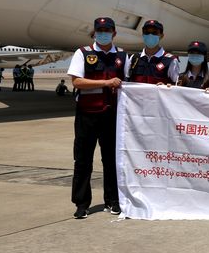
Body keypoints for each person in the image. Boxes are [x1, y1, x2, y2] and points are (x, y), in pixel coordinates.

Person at [66, 17, 129, 218]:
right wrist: (106, 82)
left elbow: (129, 83)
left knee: (112, 160)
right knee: (83, 160)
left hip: (112, 115)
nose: (103, 34)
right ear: (94, 33)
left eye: (107, 30)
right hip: (87, 115)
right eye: (100, 30)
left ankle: (113, 200)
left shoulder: (122, 55)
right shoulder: (83, 53)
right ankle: (81, 203)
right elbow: (77, 82)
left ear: (114, 33)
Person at [128, 20, 179, 85]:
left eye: (154, 32)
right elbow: (126, 81)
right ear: (143, 35)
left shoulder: (170, 61)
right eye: (147, 32)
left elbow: (176, 86)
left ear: (161, 36)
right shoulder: (134, 58)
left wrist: (167, 87)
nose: (150, 35)